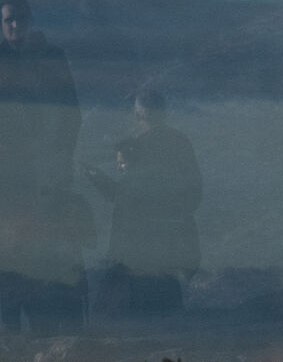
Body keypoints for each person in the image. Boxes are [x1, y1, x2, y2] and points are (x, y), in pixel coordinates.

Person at [0, 0, 82, 334]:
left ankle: (40, 329)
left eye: (20, 19)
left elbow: (71, 113)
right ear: (1, 24)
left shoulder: (52, 59)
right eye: (8, 20)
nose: (15, 26)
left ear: (30, 20)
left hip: (41, 170)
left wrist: (61, 157)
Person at [84, 84, 201, 318]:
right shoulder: (180, 141)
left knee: (141, 307)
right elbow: (194, 192)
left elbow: (126, 196)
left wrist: (98, 179)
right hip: (170, 241)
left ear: (138, 115)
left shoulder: (137, 145)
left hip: (139, 244)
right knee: (167, 303)